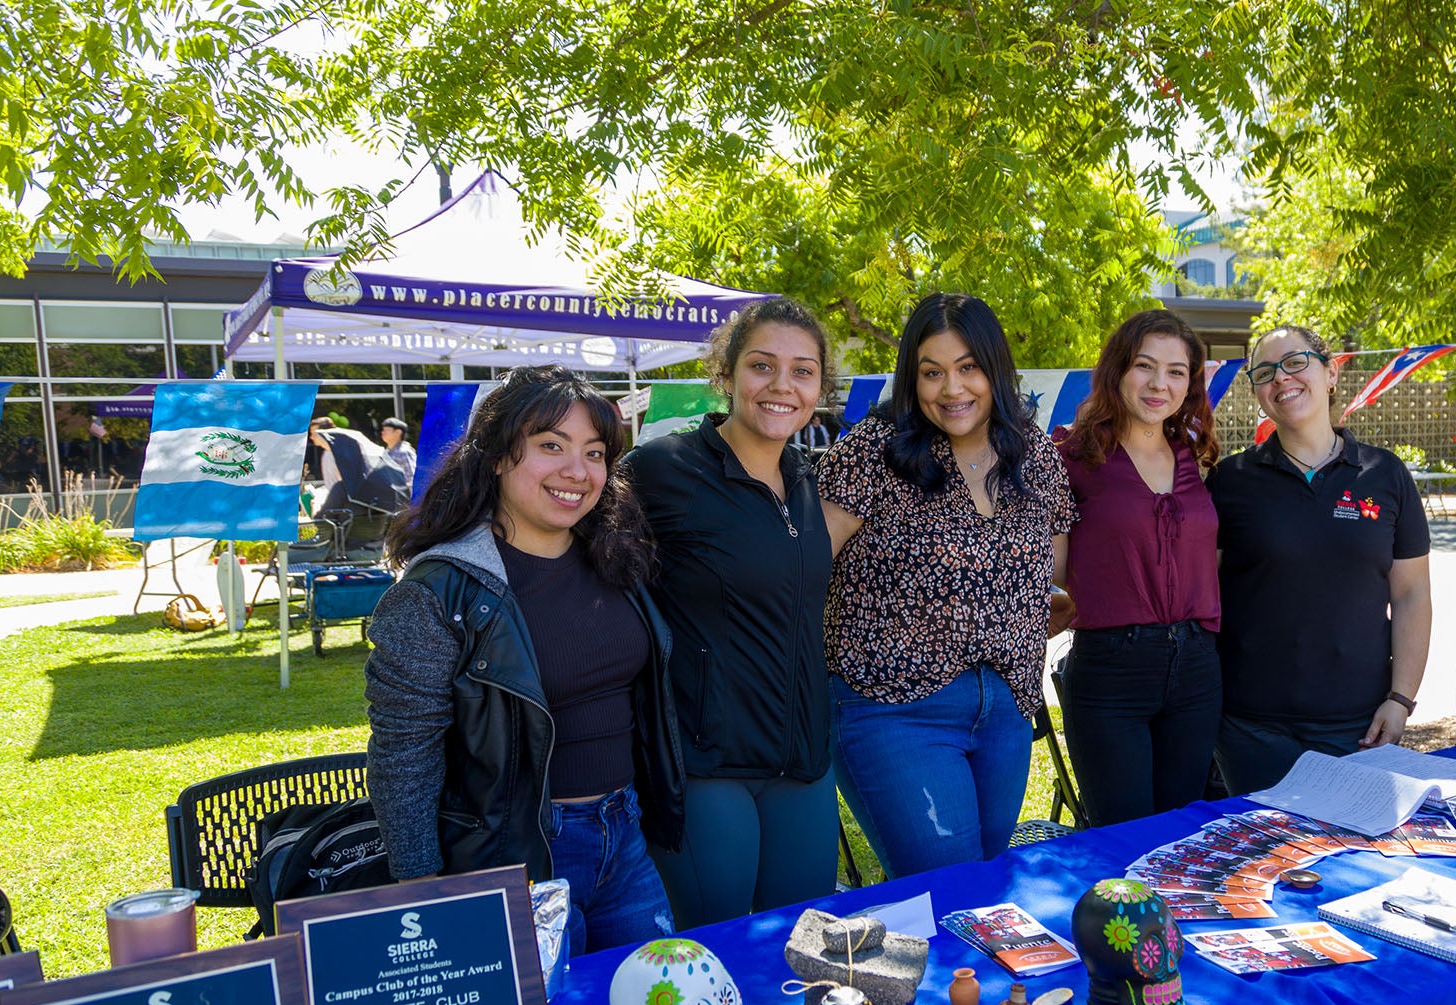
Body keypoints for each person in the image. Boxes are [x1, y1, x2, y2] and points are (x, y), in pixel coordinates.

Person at [364, 365, 682, 955]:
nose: (576, 471)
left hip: (627, 836)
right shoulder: (438, 591)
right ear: (495, 456)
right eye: (550, 446)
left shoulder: (617, 558)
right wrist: (421, 886)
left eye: (594, 452)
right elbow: (403, 755)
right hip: (515, 861)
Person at [817, 293, 1075, 878]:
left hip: (1007, 707)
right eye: (931, 372)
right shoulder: (872, 453)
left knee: (985, 890)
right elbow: (804, 570)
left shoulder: (1033, 453)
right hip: (893, 708)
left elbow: (1058, 567)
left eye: (968, 368)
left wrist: (1038, 604)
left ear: (996, 371)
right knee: (948, 890)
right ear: (912, 379)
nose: (951, 389)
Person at [624, 298, 839, 929]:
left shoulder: (808, 478)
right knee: (714, 954)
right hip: (706, 764)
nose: (782, 386)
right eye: (762, 366)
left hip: (802, 761)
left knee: (804, 950)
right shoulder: (665, 468)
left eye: (802, 371)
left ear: (820, 386)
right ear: (728, 373)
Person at [1206, 325, 1433, 794]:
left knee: (1356, 860)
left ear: (1330, 373)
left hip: (1359, 725)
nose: (1281, 379)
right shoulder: (1231, 481)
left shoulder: (1384, 474)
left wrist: (1400, 699)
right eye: (1264, 372)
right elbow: (1204, 594)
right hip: (1250, 728)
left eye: (1295, 362)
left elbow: (1411, 594)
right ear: (1257, 395)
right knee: (1269, 861)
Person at [1053, 308, 1223, 827]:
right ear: (1117, 370)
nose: (1159, 384)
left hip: (1196, 666)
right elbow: (1051, 565)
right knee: (1122, 837)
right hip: (1111, 671)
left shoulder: (1197, 455)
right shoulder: (1071, 455)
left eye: (1176, 372)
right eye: (1144, 366)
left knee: (1181, 834)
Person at [379, 416, 418, 482]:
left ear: (398, 432)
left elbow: (412, 478)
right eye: (383, 430)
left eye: (387, 430)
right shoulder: (386, 452)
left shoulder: (404, 452)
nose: (383, 432)